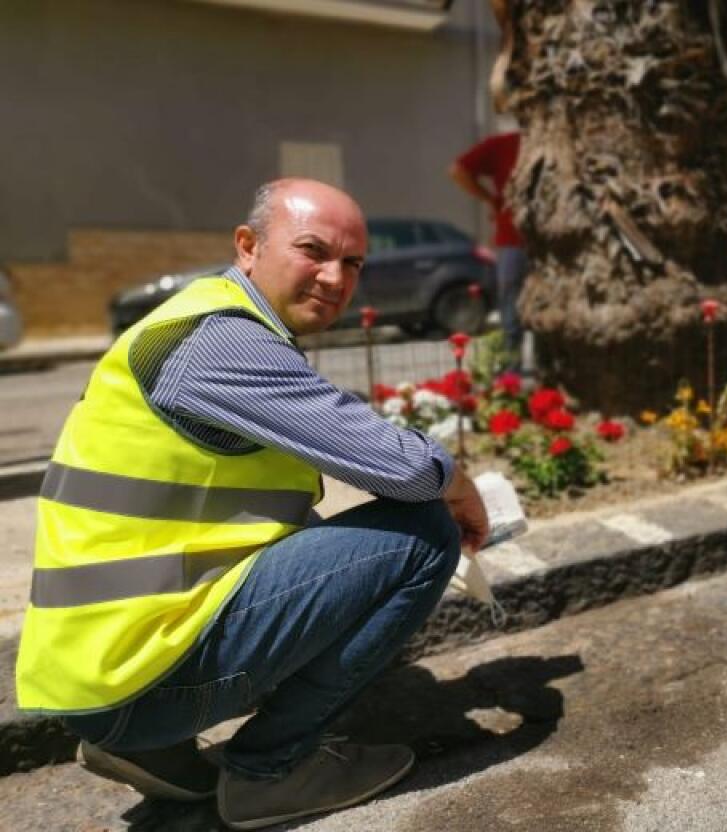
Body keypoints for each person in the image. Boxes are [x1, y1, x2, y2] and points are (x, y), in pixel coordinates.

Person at [15, 178, 489, 830]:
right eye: (313, 251)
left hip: (97, 666)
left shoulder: (200, 320)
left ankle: (145, 744)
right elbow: (401, 468)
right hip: (131, 672)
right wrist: (461, 487)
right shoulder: (221, 344)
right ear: (247, 245)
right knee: (424, 535)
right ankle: (272, 771)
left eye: (351, 262)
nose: (334, 277)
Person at [449, 124, 527, 369]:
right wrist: (491, 200)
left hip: (541, 241)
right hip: (514, 239)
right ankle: (511, 375)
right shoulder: (504, 144)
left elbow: (457, 170)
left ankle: (532, 373)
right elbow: (458, 170)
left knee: (522, 311)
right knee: (512, 311)